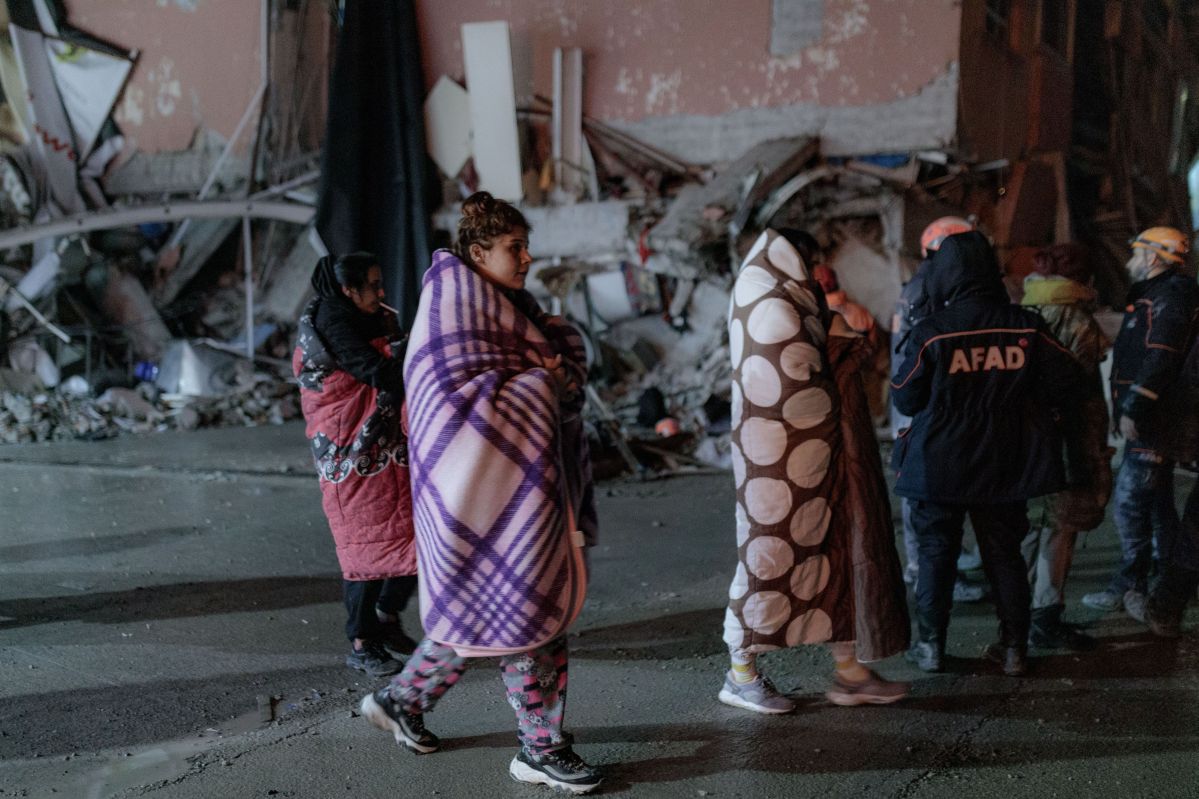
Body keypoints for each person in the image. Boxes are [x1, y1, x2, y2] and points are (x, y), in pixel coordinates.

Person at [358, 192, 602, 794]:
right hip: (478, 490)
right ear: (477, 252)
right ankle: (541, 748)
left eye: (526, 245)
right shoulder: (454, 310)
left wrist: (555, 365)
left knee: (482, 610)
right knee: (525, 615)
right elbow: (452, 398)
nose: (526, 257)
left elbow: (541, 361)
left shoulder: (505, 305)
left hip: (510, 490)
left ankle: (402, 699)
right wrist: (542, 385)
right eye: (514, 248)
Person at [718, 227, 910, 715]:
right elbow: (790, 379)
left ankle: (851, 671)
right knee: (769, 558)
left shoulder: (783, 295)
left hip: (816, 456)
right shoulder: (771, 300)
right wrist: (842, 344)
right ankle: (740, 674)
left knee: (839, 551)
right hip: (777, 464)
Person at [891, 231, 1082, 677]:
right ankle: (1015, 648)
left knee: (937, 552)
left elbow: (905, 398)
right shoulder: (1025, 326)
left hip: (939, 462)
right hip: (1006, 459)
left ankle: (931, 648)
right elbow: (1065, 381)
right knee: (1004, 553)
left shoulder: (932, 332)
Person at [294, 253, 419, 677]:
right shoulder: (333, 321)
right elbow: (379, 372)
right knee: (364, 542)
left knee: (411, 534)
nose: (382, 292)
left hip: (386, 446)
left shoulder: (376, 317)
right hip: (349, 448)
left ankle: (386, 617)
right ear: (348, 291)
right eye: (373, 284)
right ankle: (362, 641)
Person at [1081, 227, 1199, 635]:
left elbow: (1162, 357)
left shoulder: (1171, 297)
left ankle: (1132, 584)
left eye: (1136, 252)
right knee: (1158, 503)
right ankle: (1160, 583)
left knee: (1131, 503)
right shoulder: (1151, 296)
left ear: (1153, 257)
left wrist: (1135, 407)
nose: (1130, 259)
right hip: (1152, 420)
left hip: (1155, 422)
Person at [1019, 244, 1114, 650]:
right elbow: (1080, 386)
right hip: (1070, 438)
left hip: (1027, 436)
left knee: (1029, 522)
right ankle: (1045, 614)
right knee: (1061, 526)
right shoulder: (1078, 322)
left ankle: (1018, 611)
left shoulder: (1023, 312)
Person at [891, 217, 986, 604]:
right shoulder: (931, 287)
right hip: (923, 404)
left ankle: (941, 563)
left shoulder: (920, 281)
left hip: (917, 401)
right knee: (925, 493)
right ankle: (925, 569)